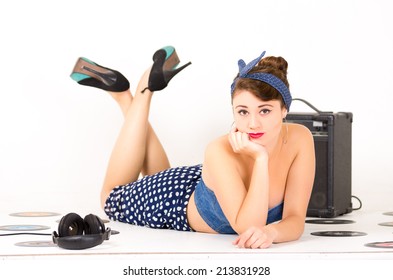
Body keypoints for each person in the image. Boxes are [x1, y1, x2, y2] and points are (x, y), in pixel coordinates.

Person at [70, 46, 315, 249]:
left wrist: (272, 233)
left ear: (284, 109)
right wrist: (260, 160)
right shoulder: (219, 150)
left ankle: (137, 96)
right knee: (111, 198)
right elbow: (249, 226)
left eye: (265, 110)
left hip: (204, 181)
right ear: (233, 110)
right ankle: (128, 95)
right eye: (242, 111)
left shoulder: (300, 138)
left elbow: (295, 219)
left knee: (155, 174)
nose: (252, 124)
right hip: (171, 200)